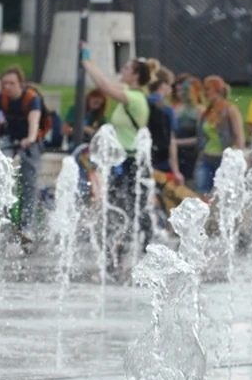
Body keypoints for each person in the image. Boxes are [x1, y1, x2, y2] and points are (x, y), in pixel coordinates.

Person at [79, 45, 155, 256]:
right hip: (120, 162)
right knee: (117, 205)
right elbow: (102, 82)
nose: (122, 69)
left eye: (127, 67)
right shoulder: (129, 93)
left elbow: (104, 86)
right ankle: (118, 250)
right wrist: (88, 59)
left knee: (133, 207)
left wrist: (86, 60)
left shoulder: (135, 98)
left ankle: (146, 248)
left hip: (131, 162)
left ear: (135, 75)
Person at [0, 66, 44, 244]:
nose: (7, 87)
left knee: (29, 182)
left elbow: (34, 121)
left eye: (11, 83)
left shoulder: (31, 98)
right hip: (10, 138)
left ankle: (27, 227)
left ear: (21, 84)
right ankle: (0, 221)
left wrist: (30, 138)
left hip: (30, 140)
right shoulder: (0, 99)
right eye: (4, 83)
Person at [195, 75, 245, 195]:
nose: (205, 93)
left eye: (208, 89)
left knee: (221, 197)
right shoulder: (205, 112)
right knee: (201, 195)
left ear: (217, 90)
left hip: (223, 159)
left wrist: (239, 158)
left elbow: (239, 135)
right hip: (206, 158)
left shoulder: (230, 110)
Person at [147, 66, 183, 185]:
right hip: (160, 162)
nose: (171, 89)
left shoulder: (142, 102)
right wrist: (176, 171)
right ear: (163, 84)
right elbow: (171, 141)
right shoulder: (166, 110)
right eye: (170, 85)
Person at [172, 73, 202, 181]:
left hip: (191, 155)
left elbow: (200, 138)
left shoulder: (199, 111)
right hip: (176, 154)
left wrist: (176, 143)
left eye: (185, 91)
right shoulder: (176, 109)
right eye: (180, 91)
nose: (182, 94)